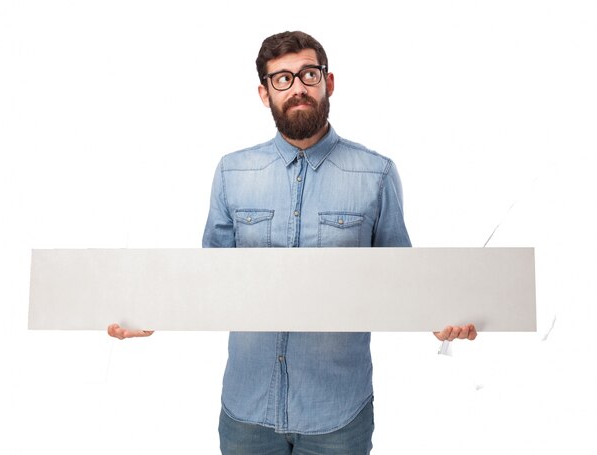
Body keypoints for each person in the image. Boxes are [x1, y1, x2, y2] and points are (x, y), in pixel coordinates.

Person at [108, 31, 477, 454]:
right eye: (282, 79)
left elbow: (403, 281)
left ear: (328, 82)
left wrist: (443, 317)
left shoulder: (376, 173)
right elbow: (208, 281)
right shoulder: (232, 172)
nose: (297, 87)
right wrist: (145, 311)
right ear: (265, 93)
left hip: (338, 415)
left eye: (308, 74)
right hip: (247, 411)